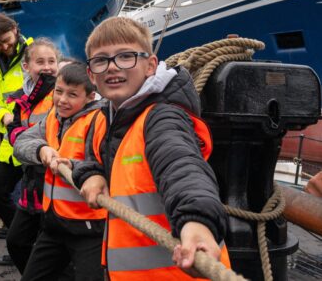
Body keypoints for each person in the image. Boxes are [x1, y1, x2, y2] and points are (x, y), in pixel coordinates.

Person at [66, 17, 231, 279]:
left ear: (151, 65)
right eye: (101, 60)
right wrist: (91, 173)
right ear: (91, 75)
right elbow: (95, 155)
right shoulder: (107, 116)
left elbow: (181, 166)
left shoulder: (163, 118)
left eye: (126, 56)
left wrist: (197, 223)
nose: (112, 67)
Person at [13, 62, 106, 281]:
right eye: (58, 91)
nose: (62, 100)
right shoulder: (53, 117)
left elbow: (107, 166)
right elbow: (22, 142)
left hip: (89, 230)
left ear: (91, 96)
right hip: (54, 226)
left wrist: (72, 166)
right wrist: (41, 149)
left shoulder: (99, 121)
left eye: (72, 94)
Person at [0, 12, 32, 265]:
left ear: (15, 29)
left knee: (35, 199)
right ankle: (21, 240)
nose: (4, 46)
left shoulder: (34, 55)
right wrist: (5, 117)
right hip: (9, 143)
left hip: (35, 140)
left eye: (7, 39)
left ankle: (29, 246)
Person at [5, 38, 60, 274]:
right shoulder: (21, 100)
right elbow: (14, 135)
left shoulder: (61, 92)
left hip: (54, 183)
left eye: (52, 61)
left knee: (52, 247)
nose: (47, 67)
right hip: (32, 182)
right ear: (26, 67)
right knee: (16, 241)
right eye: (40, 62)